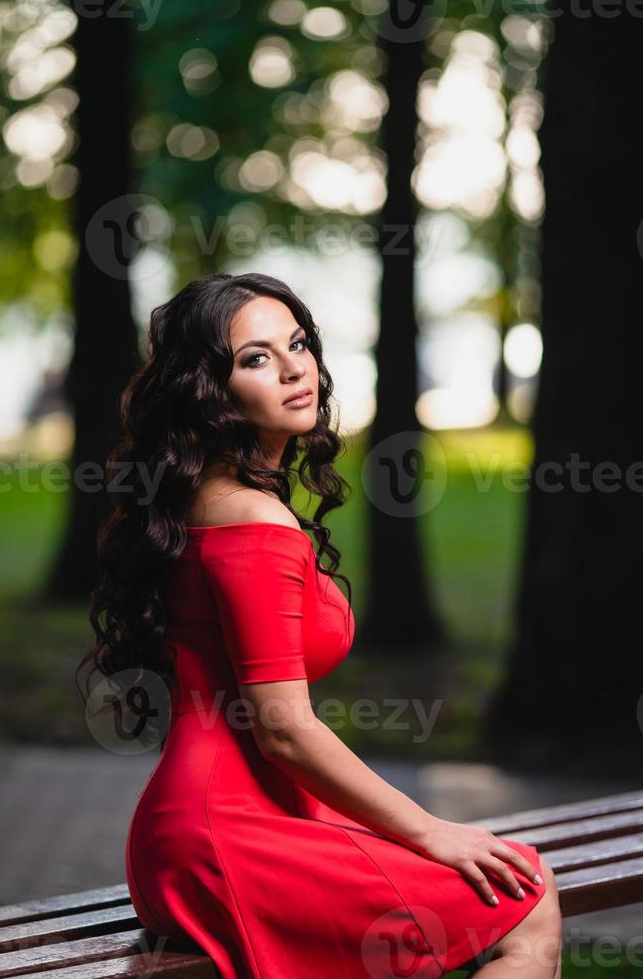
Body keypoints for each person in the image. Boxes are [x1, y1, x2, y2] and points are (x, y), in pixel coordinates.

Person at [79, 272, 562, 978]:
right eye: (255, 358)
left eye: (297, 344)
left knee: (505, 881)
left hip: (214, 822)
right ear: (208, 389)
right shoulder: (253, 521)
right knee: (526, 895)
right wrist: (431, 830)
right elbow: (283, 728)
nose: (293, 367)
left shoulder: (205, 497)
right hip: (230, 834)